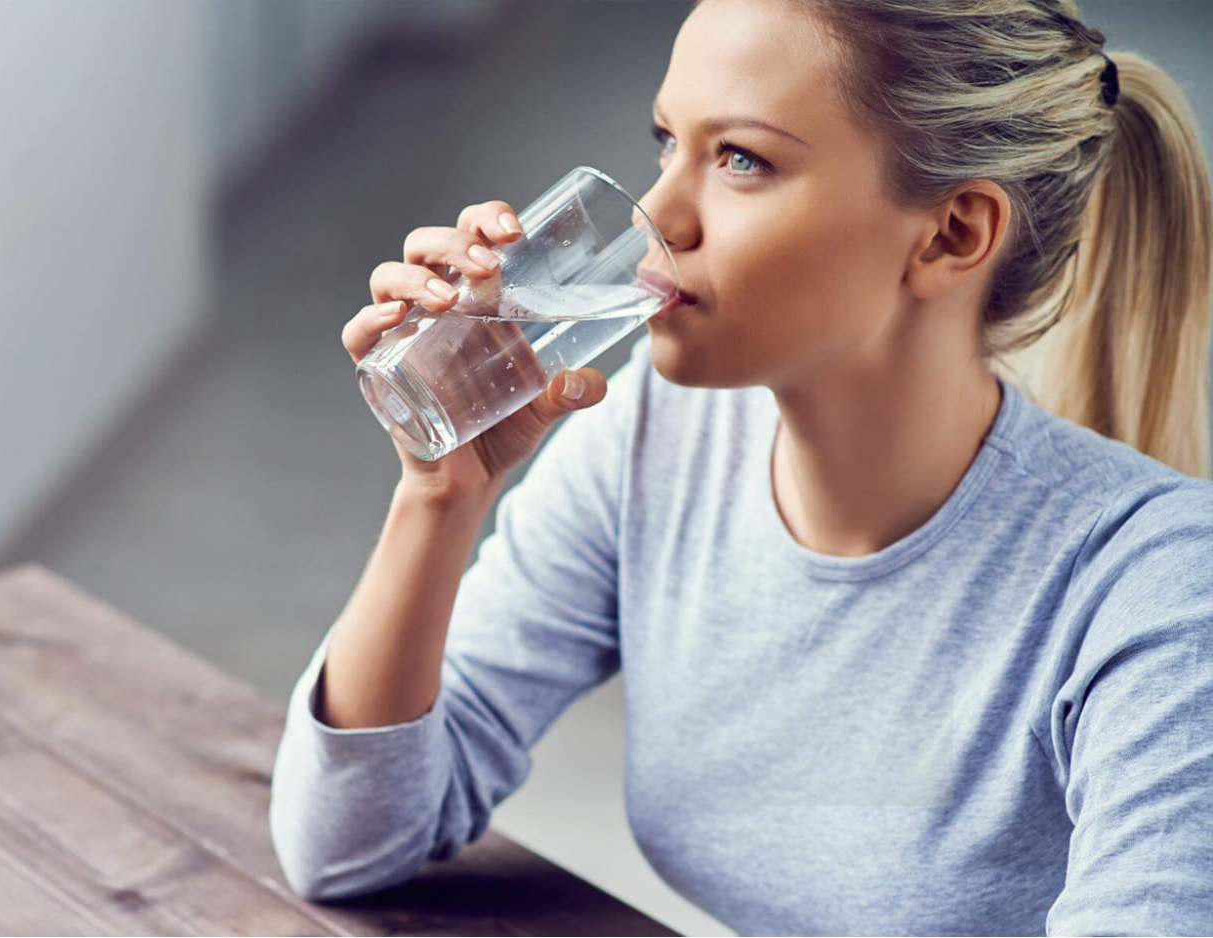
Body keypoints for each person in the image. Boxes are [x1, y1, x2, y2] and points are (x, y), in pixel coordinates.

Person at [268, 0, 1213, 933]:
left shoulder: (1162, 590)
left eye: (741, 160)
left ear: (951, 233)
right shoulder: (656, 433)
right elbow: (345, 847)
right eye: (665, 144)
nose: (658, 220)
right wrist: (437, 497)